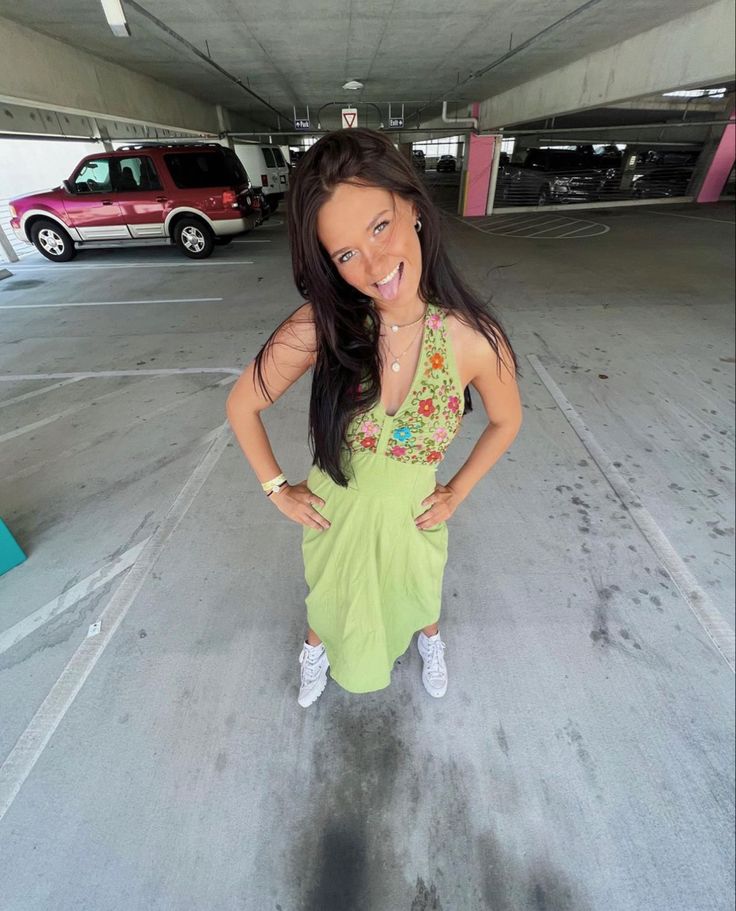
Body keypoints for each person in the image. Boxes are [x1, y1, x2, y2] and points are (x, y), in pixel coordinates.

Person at [226, 128, 522, 707]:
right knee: (329, 603)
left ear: (411, 207)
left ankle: (429, 640)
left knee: (418, 596)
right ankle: (315, 648)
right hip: (335, 517)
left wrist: (457, 492)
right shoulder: (321, 327)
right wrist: (276, 490)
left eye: (379, 226)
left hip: (415, 517)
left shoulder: (472, 339)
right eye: (345, 253)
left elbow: (507, 421)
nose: (375, 263)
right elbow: (242, 404)